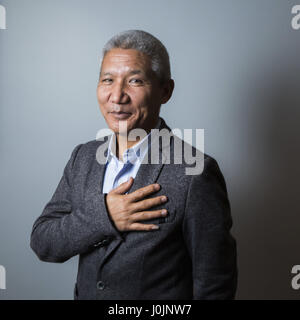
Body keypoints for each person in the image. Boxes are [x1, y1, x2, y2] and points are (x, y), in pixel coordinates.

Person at [30, 30, 238, 300]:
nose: (117, 96)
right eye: (107, 80)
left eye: (135, 81)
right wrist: (104, 215)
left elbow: (215, 285)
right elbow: (43, 242)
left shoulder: (195, 172)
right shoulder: (83, 157)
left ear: (165, 90)